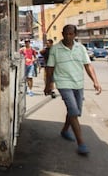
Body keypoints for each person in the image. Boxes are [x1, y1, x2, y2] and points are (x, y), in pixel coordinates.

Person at [44, 24, 102, 155]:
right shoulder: (55, 49)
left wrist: (95, 82)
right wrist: (48, 84)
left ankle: (65, 130)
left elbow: (88, 66)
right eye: (65, 33)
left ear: (75, 35)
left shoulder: (81, 48)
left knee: (74, 111)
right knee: (74, 111)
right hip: (63, 83)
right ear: (62, 33)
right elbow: (50, 69)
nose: (68, 36)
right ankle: (81, 143)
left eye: (71, 34)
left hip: (78, 84)